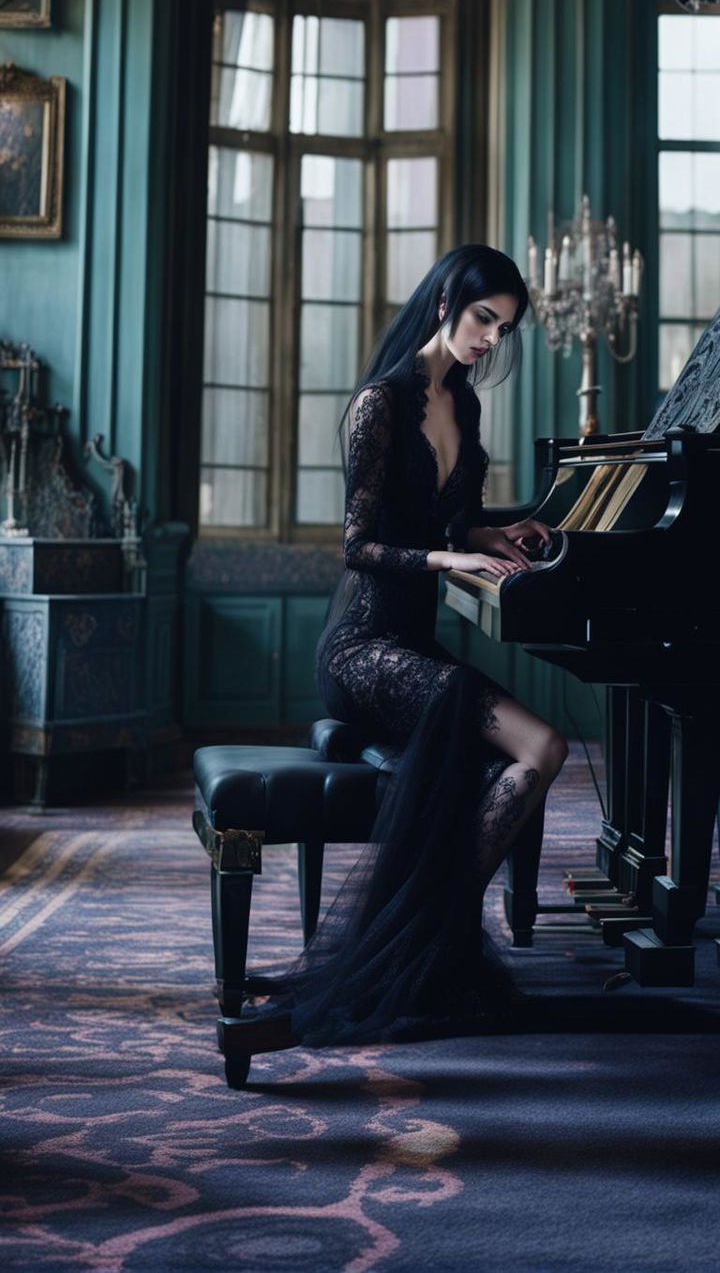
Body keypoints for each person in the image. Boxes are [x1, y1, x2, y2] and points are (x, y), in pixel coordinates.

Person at [219, 244, 568, 1058]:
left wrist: (494, 531)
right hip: (361, 650)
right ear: (448, 298)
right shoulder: (380, 404)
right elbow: (359, 546)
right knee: (531, 739)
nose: (490, 338)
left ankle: (422, 933)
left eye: (504, 328)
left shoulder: (464, 405)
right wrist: (451, 558)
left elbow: (453, 519)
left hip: (413, 647)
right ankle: (419, 939)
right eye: (484, 317)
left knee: (532, 755)